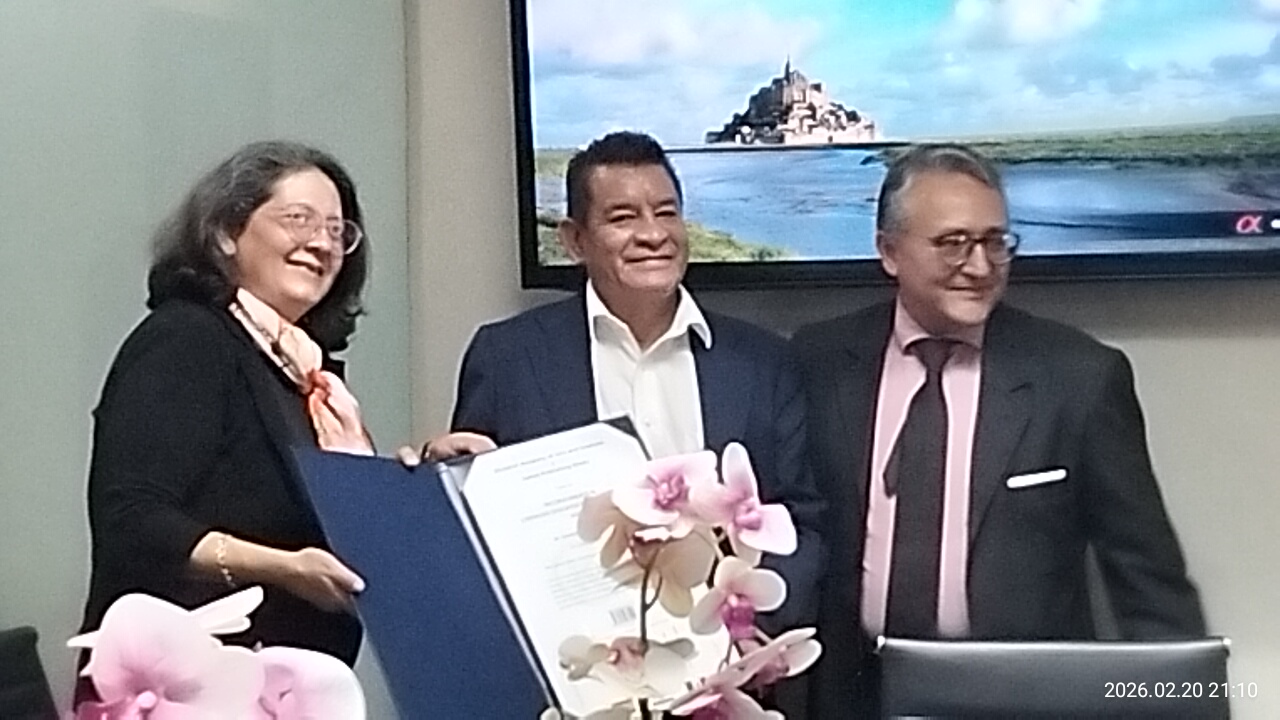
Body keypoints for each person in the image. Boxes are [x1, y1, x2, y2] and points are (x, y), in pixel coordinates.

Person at [792, 143, 1206, 717]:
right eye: (953, 243)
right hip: (854, 698)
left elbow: (1150, 585)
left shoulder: (1078, 378)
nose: (981, 267)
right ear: (889, 251)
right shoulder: (817, 362)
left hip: (1028, 702)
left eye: (995, 242)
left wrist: (1186, 703)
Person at [433, 130, 824, 634]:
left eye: (666, 212)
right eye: (623, 218)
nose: (653, 234)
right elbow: (476, 526)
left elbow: (800, 522)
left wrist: (749, 631)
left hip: (725, 656)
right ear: (574, 240)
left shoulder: (763, 362)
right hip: (567, 658)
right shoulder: (507, 358)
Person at [75, 141, 378, 703]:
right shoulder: (187, 338)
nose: (322, 243)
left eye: (339, 231)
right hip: (184, 696)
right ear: (225, 233)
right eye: (299, 219)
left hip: (282, 693)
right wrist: (284, 569)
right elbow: (132, 520)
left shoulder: (312, 381)